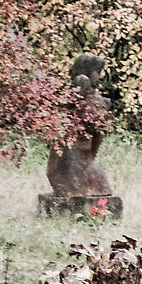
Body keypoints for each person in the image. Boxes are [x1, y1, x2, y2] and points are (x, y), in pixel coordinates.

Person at [47, 53, 112, 197]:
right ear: (88, 70)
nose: (99, 77)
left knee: (101, 184)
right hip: (70, 161)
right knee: (98, 185)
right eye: (98, 72)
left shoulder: (90, 94)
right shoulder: (80, 84)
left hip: (84, 159)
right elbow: (74, 105)